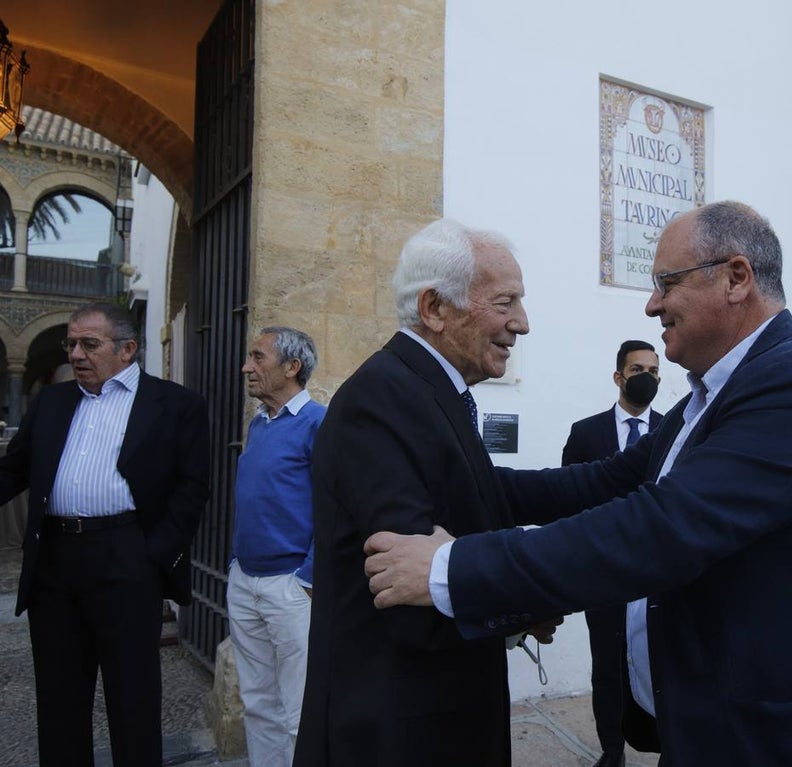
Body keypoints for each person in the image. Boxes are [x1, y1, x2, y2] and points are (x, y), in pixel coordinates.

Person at [365, 201, 792, 765]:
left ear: (736, 278)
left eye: (666, 283)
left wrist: (451, 569)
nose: (652, 304)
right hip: (712, 724)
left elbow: (663, 527)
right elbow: (603, 483)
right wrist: (460, 483)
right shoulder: (707, 398)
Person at [294, 218, 538, 767]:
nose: (521, 323)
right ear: (434, 308)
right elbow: (412, 591)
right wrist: (530, 597)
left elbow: (489, 494)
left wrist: (628, 474)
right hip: (398, 728)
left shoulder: (427, 390)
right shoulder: (379, 401)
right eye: (506, 302)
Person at [0, 302, 209, 767]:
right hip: (54, 563)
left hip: (127, 559)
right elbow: (12, 470)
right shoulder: (52, 402)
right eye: (71, 343)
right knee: (58, 700)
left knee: (132, 697)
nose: (76, 353)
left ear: (127, 349)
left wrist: (153, 558)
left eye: (89, 344)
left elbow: (192, 488)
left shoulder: (175, 405)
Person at [561, 339, 664, 767]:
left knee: (658, 661)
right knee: (607, 664)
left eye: (655, 371)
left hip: (657, 571)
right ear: (619, 377)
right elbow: (568, 498)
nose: (648, 378)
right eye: (638, 370)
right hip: (602, 570)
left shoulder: (671, 430)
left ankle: (663, 741)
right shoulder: (586, 433)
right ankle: (612, 750)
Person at [228, 327, 325, 767]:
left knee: (298, 711)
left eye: (257, 357)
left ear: (291, 367)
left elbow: (338, 505)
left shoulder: (318, 423)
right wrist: (235, 564)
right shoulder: (259, 422)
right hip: (245, 580)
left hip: (290, 587)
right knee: (258, 703)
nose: (248, 367)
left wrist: (307, 577)